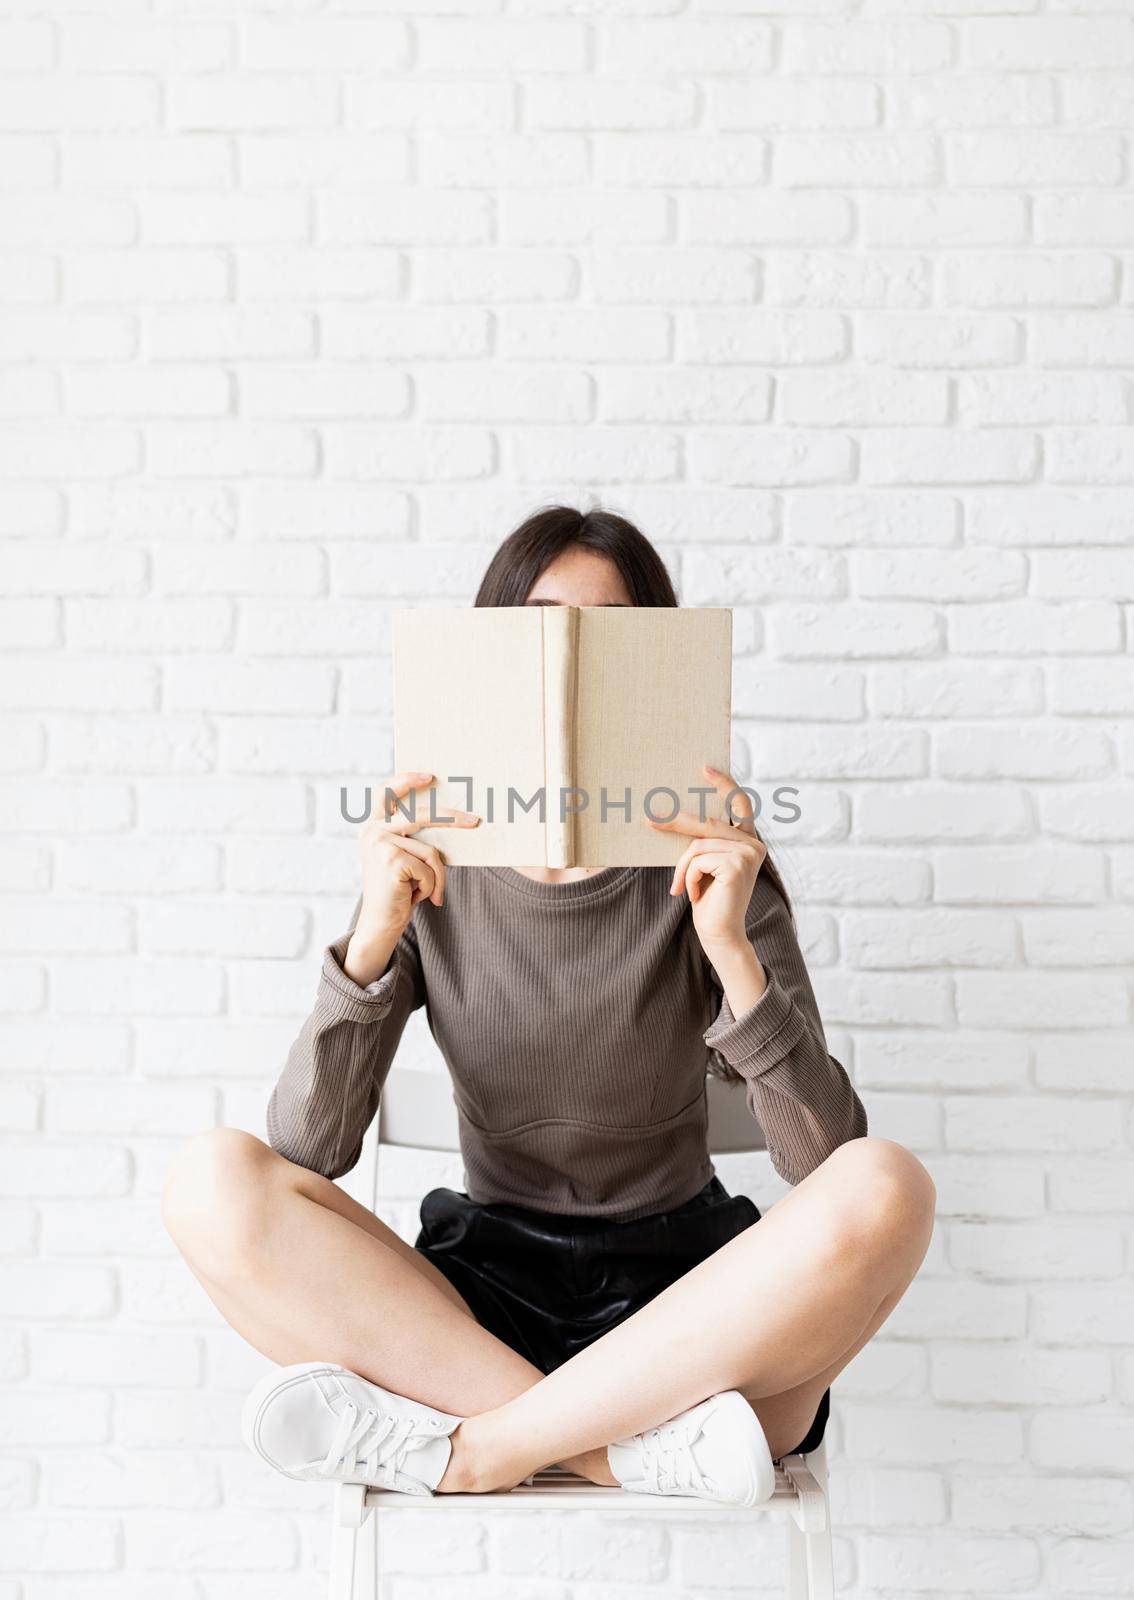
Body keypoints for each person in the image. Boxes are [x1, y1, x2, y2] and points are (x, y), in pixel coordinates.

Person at [162, 505, 937, 1508]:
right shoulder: (437, 870)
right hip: (477, 1315)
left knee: (887, 1182)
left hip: (695, 1319)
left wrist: (732, 951)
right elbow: (306, 1148)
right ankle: (610, 1454)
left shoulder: (715, 870)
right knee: (208, 1178)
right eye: (538, 623)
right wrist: (370, 940)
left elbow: (823, 1158)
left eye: (611, 630)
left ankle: (478, 1453)